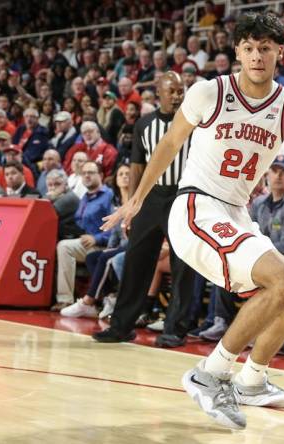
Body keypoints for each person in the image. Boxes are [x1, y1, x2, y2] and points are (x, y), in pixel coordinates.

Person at [101, 12, 284, 430]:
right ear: (237, 53)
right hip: (198, 208)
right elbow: (170, 143)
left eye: (265, 47)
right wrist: (136, 199)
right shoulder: (211, 92)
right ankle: (210, 374)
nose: (257, 56)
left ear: (280, 52)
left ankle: (252, 379)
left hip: (236, 213)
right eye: (248, 48)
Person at [93, 72, 197, 348]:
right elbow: (137, 167)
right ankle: (121, 326)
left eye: (180, 91)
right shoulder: (144, 124)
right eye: (172, 91)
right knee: (136, 261)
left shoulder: (195, 123)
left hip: (183, 196)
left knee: (183, 265)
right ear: (159, 94)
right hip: (151, 198)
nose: (177, 96)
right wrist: (132, 203)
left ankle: (176, 328)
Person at [56, 161, 114, 313]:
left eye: (91, 172)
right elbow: (78, 222)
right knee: (62, 244)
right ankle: (65, 299)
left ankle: (73, 300)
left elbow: (115, 225)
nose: (87, 176)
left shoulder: (109, 196)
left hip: (102, 244)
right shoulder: (85, 197)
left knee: (70, 249)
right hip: (85, 242)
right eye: (84, 173)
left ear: (101, 175)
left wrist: (97, 238)